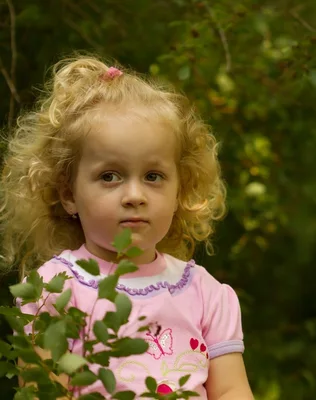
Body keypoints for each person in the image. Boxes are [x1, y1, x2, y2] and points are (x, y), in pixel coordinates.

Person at [0, 55, 254, 399]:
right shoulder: (54, 293)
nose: (135, 195)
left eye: (153, 176)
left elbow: (231, 391)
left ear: (180, 190)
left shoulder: (205, 295)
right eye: (109, 176)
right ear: (68, 193)